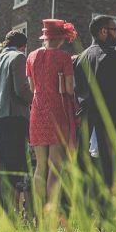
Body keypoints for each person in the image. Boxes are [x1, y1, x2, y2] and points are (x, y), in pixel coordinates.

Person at [75, 15, 116, 199]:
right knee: (109, 168)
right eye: (114, 30)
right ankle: (106, 216)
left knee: (86, 167)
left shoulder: (81, 57)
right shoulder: (111, 56)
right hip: (107, 119)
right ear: (103, 32)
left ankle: (86, 210)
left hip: (86, 120)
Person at [27, 19, 79, 214]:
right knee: (55, 167)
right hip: (57, 112)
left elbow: (32, 88)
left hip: (37, 111)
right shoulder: (63, 57)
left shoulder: (31, 56)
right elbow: (69, 88)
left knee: (40, 167)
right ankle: (52, 214)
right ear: (61, 39)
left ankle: (38, 214)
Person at [0, 29, 33, 216]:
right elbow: (21, 90)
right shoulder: (19, 58)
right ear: (23, 46)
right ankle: (11, 217)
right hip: (14, 118)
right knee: (14, 171)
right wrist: (36, 99)